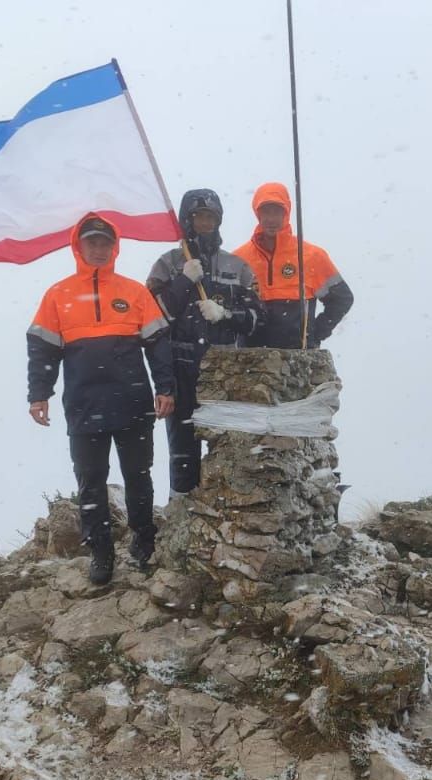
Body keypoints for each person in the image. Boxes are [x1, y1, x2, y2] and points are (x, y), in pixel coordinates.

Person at [27, 214, 175, 584]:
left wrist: (166, 387)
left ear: (115, 247)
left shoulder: (134, 293)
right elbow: (42, 351)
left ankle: (144, 541)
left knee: (138, 476)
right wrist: (39, 395)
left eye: (104, 243)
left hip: (133, 403)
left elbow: (158, 344)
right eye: (91, 242)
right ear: (79, 247)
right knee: (91, 481)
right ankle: (101, 553)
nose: (98, 249)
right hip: (83, 406)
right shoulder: (58, 295)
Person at [146, 189, 264, 495]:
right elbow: (154, 318)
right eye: (199, 216)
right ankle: (183, 519)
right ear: (187, 220)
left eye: (211, 217)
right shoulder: (167, 264)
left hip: (226, 372)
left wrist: (225, 314)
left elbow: (255, 318)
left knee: (228, 450)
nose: (206, 223)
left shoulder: (238, 267)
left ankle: (223, 522)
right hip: (181, 368)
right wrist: (184, 281)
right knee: (183, 453)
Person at [233, 182, 354, 349]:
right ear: (257, 214)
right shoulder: (239, 259)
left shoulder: (311, 256)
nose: (271, 219)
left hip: (298, 358)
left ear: (287, 213)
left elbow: (342, 298)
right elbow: (230, 306)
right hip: (252, 360)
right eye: (266, 212)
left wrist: (316, 333)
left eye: (277, 212)